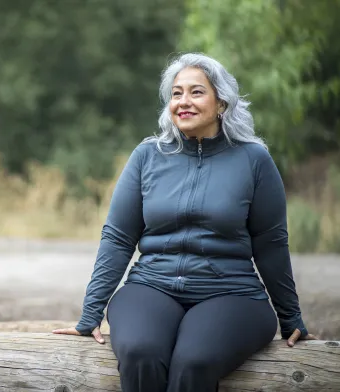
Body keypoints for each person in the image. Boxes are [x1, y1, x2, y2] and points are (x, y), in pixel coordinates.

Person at [53, 53, 317, 392]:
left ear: (221, 102)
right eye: (176, 94)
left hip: (230, 292)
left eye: (196, 92)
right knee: (140, 352)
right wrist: (90, 314)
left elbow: (271, 243)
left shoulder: (254, 160)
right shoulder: (147, 156)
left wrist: (290, 315)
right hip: (152, 285)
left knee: (193, 362)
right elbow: (118, 238)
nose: (183, 102)